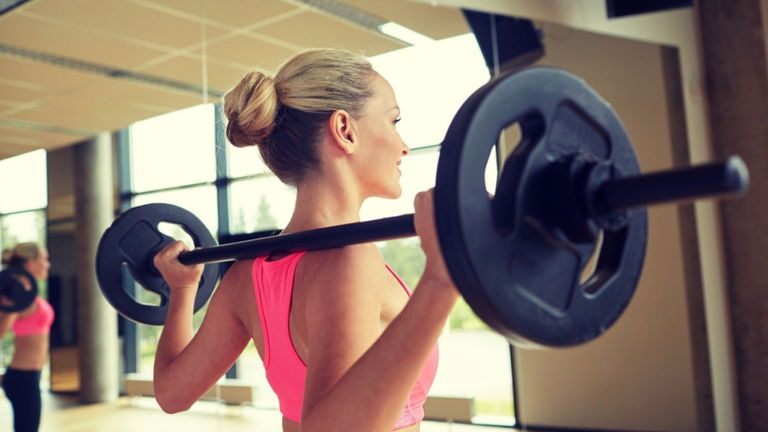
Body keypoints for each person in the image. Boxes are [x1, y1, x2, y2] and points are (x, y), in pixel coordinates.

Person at [152, 48, 459, 431]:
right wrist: (442, 281)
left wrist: (183, 289)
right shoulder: (350, 260)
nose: (403, 145)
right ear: (345, 130)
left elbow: (171, 393)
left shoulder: (249, 273)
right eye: (394, 120)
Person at [0, 242, 54, 432]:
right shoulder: (18, 294)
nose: (47, 264)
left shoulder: (28, 294)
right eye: (44, 259)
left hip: (31, 376)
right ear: (31, 263)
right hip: (23, 377)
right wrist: (12, 304)